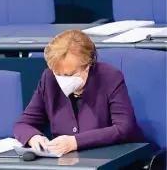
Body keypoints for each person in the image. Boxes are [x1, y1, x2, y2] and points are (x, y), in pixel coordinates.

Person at [13, 30, 144, 156]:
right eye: (57, 73)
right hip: (67, 164)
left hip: (110, 158)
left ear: (87, 66)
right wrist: (34, 137)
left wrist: (75, 142)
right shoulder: (49, 79)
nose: (62, 79)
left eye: (69, 75)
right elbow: (23, 124)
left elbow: (125, 128)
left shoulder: (110, 77)